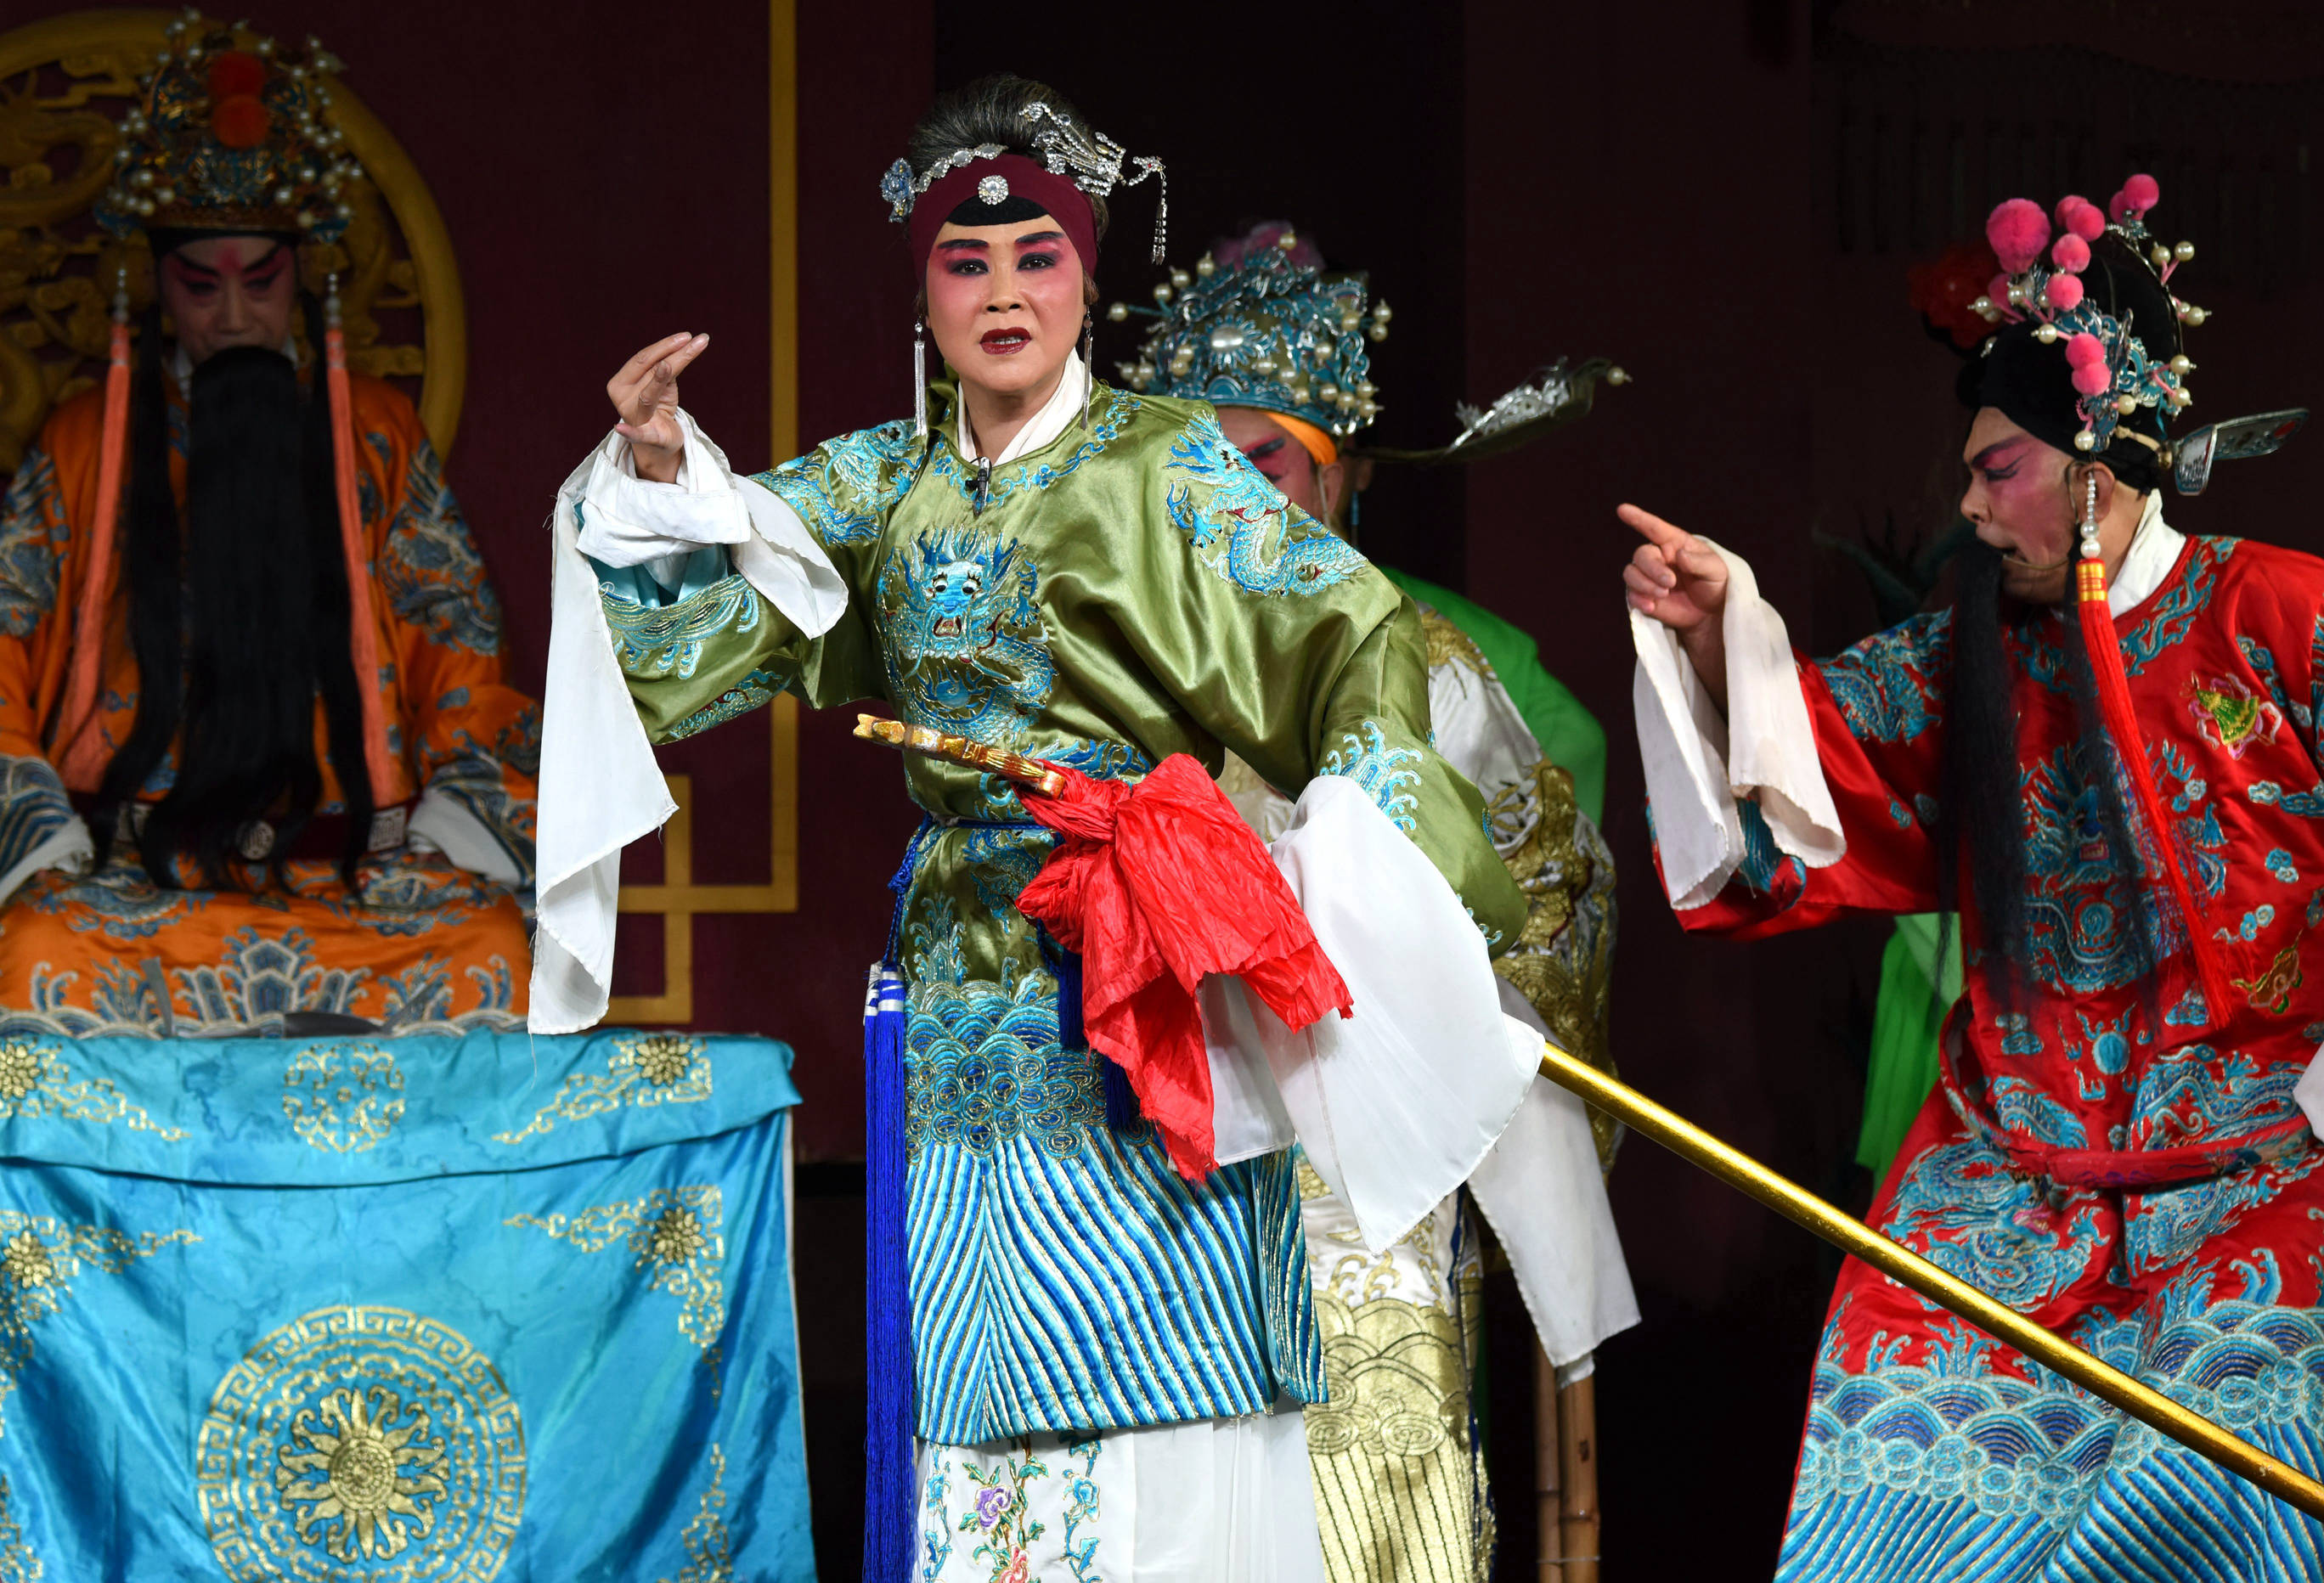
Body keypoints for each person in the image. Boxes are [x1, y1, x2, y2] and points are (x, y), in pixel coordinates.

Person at [537, 75, 1549, 1583]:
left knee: (1173, 1383)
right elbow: (678, 634)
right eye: (967, 262)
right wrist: (659, 482)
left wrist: (1334, 849)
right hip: (965, 985)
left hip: (1150, 959)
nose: (1004, 293)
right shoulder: (880, 485)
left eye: (1039, 259)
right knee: (987, 1384)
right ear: (926, 293)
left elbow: (1353, 640)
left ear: (1085, 280)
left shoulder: (1167, 467)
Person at [1626, 174, 2324, 1579]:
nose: (1967, 505)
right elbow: (1801, 780)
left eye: (1999, 469)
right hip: (1999, 1185)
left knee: (2253, 1478)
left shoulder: (2288, 617)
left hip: (2260, 1184)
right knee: (1887, 1459)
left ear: (2102, 465)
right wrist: (1725, 636)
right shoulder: (1956, 657)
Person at [1120, 223, 1637, 1582]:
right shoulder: (1115, 666)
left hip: (1364, 1151)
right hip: (1147, 1148)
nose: (1230, 494)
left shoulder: (1431, 663)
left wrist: (1442, 995)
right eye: (1195, 463)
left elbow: (1548, 898)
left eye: (1267, 459)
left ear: (1339, 475)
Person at [0, 25, 537, 1037]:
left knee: (487, 949)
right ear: (156, 285)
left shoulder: (375, 436)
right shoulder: (83, 445)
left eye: (263, 282)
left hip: (354, 878)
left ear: (304, 276)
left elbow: (462, 660)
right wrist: (39, 838)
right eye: (202, 288)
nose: (237, 316)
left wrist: (450, 831)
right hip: (132, 883)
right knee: (39, 951)